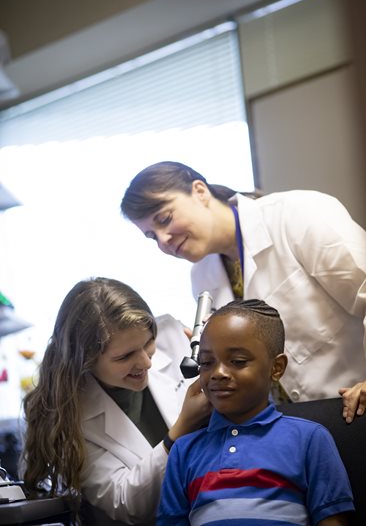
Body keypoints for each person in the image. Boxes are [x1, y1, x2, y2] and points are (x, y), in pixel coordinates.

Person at [120, 161, 366, 421]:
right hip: (292, 422)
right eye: (151, 236)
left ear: (200, 191)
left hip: (355, 401)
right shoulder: (202, 276)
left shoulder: (296, 214)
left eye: (164, 219)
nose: (163, 240)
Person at [21, 277, 211, 525]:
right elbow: (127, 506)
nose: (146, 362)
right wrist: (181, 429)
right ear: (86, 360)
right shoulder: (71, 418)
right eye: (125, 356)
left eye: (148, 343)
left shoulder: (173, 337)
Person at [157, 299, 355, 526]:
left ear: (276, 368)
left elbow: (333, 520)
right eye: (206, 362)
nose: (218, 373)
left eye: (238, 361)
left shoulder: (309, 439)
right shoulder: (184, 451)